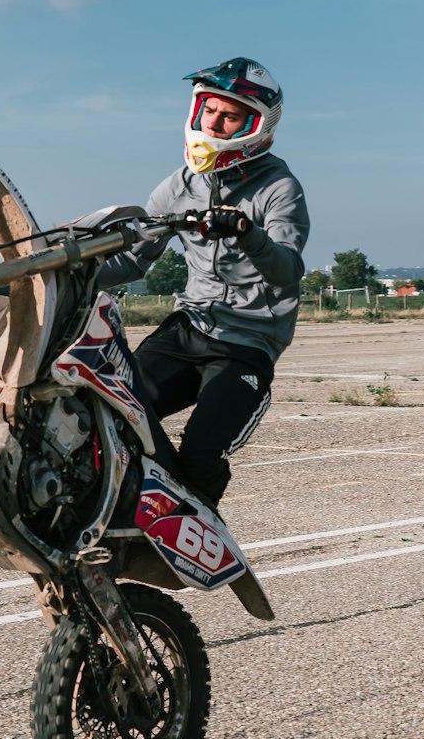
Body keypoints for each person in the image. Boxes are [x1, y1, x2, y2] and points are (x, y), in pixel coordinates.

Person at [103, 56, 310, 507]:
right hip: (187, 329)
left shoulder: (279, 188)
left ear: (255, 125)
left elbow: (286, 271)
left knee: (199, 453)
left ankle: (197, 537)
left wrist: (246, 232)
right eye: (209, 111)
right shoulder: (177, 186)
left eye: (229, 115)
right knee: (113, 418)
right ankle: (119, 528)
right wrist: (65, 273)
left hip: (247, 345)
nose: (214, 123)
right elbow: (133, 262)